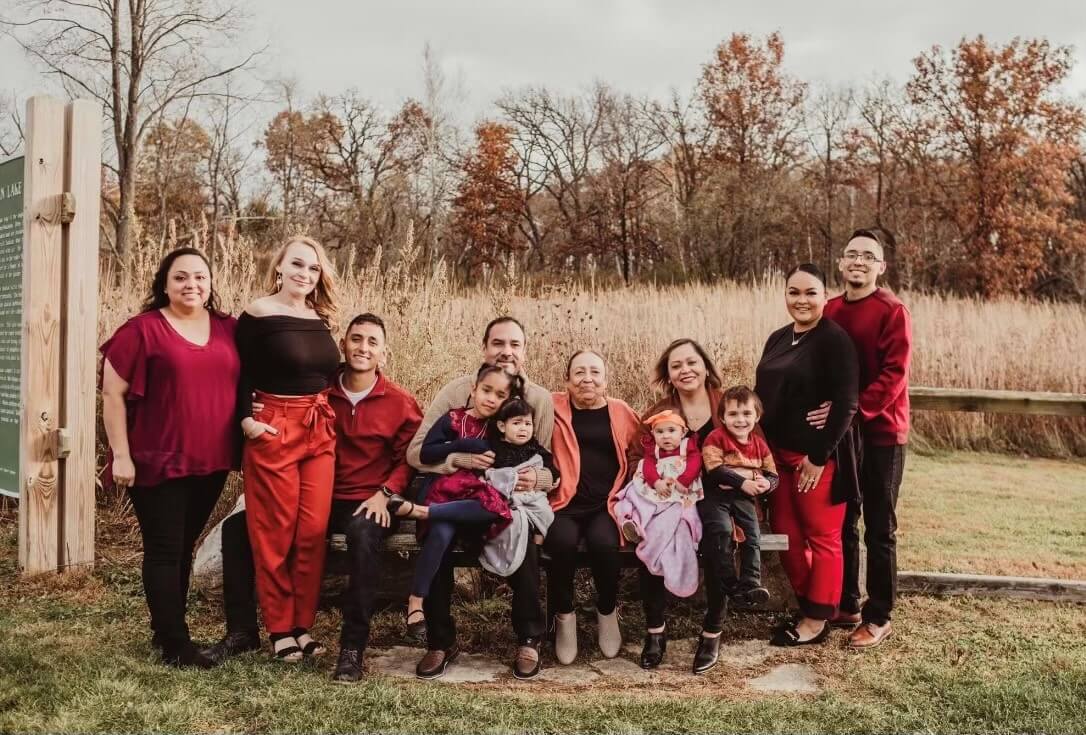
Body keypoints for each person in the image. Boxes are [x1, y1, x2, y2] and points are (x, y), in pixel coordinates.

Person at [100, 247, 240, 668]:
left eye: (200, 276)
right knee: (163, 548)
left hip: (210, 459)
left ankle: (166, 632)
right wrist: (120, 456)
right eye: (181, 277)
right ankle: (177, 645)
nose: (191, 284)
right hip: (155, 458)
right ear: (164, 283)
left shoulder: (228, 328)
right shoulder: (141, 330)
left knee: (182, 547)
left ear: (211, 282)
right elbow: (111, 394)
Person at [407, 317, 556, 681]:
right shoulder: (457, 392)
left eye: (515, 345)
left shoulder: (538, 399)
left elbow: (549, 462)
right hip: (456, 494)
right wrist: (456, 460)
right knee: (437, 532)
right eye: (498, 343)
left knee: (522, 533)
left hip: (503, 500)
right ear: (484, 348)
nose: (506, 352)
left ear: (525, 351)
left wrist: (539, 478)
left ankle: (528, 637)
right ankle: (440, 641)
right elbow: (415, 453)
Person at [236, 235, 340, 662]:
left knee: (313, 531)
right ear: (278, 266)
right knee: (275, 530)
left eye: (313, 268)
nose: (305, 274)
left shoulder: (319, 318)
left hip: (320, 428)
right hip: (274, 427)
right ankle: (279, 627)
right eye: (297, 264)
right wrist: (246, 419)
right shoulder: (258, 314)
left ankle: (303, 624)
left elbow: (328, 374)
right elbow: (237, 371)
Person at [396, 368, 557, 628]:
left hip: (477, 501)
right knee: (441, 534)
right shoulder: (454, 419)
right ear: (473, 390)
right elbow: (424, 453)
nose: (491, 399)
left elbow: (536, 456)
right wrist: (463, 448)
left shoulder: (501, 430)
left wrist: (543, 476)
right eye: (486, 391)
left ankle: (423, 512)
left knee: (495, 508)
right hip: (447, 493)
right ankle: (416, 601)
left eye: (499, 395)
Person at [755, 263, 859, 647]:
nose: (802, 300)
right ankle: (812, 603)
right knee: (787, 535)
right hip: (776, 457)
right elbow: (761, 394)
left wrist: (818, 455)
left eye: (810, 292)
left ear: (824, 296)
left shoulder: (834, 341)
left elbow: (847, 403)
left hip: (814, 459)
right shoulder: (778, 338)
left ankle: (816, 622)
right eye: (794, 292)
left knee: (822, 537)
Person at [821, 228, 912, 649]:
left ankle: (879, 617)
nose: (858, 261)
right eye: (851, 254)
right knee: (843, 520)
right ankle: (847, 603)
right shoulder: (830, 309)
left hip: (881, 434)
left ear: (880, 266)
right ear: (841, 263)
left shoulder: (892, 311)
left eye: (868, 256)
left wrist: (855, 412)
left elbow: (895, 374)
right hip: (842, 434)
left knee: (879, 526)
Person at [326, 313, 423, 682]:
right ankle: (287, 633)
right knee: (250, 529)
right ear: (343, 344)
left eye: (372, 342)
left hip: (373, 500)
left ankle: (352, 648)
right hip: (323, 496)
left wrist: (386, 494)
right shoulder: (322, 393)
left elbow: (410, 459)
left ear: (384, 353)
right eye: (356, 339)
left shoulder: (399, 402)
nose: (362, 347)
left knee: (363, 535)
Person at [629, 338, 725, 670]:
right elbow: (637, 456)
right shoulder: (659, 414)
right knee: (653, 534)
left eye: (692, 362)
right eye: (676, 365)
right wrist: (652, 481)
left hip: (719, 494)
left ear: (706, 367)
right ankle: (655, 630)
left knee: (719, 537)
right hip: (669, 496)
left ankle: (713, 630)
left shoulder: (726, 404)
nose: (685, 370)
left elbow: (752, 444)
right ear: (668, 375)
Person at [546, 350, 640, 666]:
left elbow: (641, 452)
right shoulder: (552, 408)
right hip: (564, 503)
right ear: (567, 380)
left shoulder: (621, 411)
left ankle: (607, 611)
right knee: (560, 544)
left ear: (605, 379)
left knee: (604, 545)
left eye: (595, 372)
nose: (587, 378)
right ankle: (565, 617)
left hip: (606, 504)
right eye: (579, 372)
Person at [694, 385, 780, 673]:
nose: (740, 419)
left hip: (744, 499)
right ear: (723, 417)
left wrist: (766, 484)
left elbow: (772, 474)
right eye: (733, 414)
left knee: (752, 536)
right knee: (719, 531)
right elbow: (713, 469)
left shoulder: (759, 444)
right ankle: (730, 581)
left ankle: (751, 584)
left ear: (756, 416)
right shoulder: (716, 437)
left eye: (746, 413)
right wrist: (743, 479)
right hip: (716, 497)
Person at [614, 410, 704, 598]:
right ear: (653, 434)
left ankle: (646, 529)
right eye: (660, 432)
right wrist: (656, 482)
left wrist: (685, 480)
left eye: (671, 430)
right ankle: (632, 522)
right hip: (658, 489)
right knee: (633, 497)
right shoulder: (653, 450)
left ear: (683, 432)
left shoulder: (688, 447)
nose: (666, 436)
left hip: (679, 491)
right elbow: (647, 466)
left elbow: (695, 464)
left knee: (682, 517)